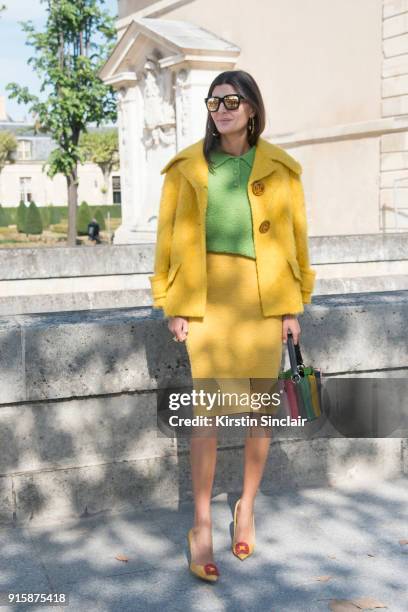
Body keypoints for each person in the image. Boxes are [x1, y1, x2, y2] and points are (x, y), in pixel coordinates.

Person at [149, 70, 317, 582]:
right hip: (208, 302)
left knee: (260, 413)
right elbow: (166, 238)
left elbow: (297, 240)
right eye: (214, 100)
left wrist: (294, 307)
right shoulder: (185, 168)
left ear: (251, 109)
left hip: (264, 301)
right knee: (208, 414)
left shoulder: (282, 169)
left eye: (232, 100)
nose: (222, 107)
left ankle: (246, 506)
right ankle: (201, 523)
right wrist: (171, 303)